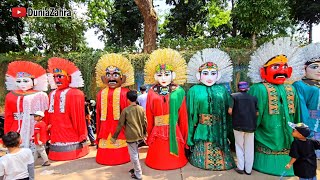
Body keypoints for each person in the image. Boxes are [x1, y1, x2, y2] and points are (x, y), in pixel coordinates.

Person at [247, 37, 303, 176]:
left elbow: (297, 114)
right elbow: (253, 115)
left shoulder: (291, 88)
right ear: (263, 71)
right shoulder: (259, 89)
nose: (281, 71)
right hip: (266, 136)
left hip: (289, 135)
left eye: (284, 67)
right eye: (276, 67)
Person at [187, 48, 235, 170]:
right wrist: (190, 136)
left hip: (220, 128)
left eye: (213, 73)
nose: (209, 77)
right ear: (199, 75)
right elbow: (190, 114)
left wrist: (229, 133)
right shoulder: (194, 90)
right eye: (205, 73)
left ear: (218, 75)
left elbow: (228, 112)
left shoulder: (222, 90)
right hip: (202, 127)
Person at [144, 48, 188, 170]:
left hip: (174, 129)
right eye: (160, 75)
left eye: (166, 74)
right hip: (157, 130)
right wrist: (149, 131)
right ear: (155, 76)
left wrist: (185, 135)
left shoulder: (179, 91)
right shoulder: (152, 92)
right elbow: (149, 114)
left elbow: (183, 115)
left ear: (173, 75)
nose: (163, 78)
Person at [95, 53, 135, 165]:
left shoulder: (125, 93)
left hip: (121, 129)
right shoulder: (100, 94)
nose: (111, 78)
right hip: (104, 128)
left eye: (115, 74)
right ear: (104, 78)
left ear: (123, 78)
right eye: (108, 74)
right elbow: (98, 115)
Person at [46, 57, 89, 160]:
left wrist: (82, 135)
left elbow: (78, 117)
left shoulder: (76, 94)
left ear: (69, 78)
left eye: (60, 76)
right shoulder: (51, 94)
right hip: (56, 134)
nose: (57, 80)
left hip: (71, 134)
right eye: (55, 77)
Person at [4, 61, 49, 149]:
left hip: (33, 127)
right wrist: (7, 132)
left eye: (25, 81)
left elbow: (45, 115)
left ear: (34, 81)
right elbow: (8, 116)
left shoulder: (40, 95)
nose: (22, 84)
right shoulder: (10, 95)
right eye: (19, 81)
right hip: (15, 127)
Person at [111, 90, 147, 180]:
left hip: (131, 136)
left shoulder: (126, 111)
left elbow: (120, 125)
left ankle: (138, 174)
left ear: (128, 99)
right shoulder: (141, 109)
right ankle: (136, 169)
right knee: (136, 153)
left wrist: (114, 137)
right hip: (139, 135)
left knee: (133, 155)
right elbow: (145, 123)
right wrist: (145, 133)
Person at [293, 43, 320, 159]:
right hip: (311, 119)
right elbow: (301, 107)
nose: (319, 70)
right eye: (314, 67)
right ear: (304, 68)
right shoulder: (300, 85)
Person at [228, 81, 258, 175]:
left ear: (238, 88)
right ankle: (248, 170)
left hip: (238, 125)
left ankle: (240, 167)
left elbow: (230, 111)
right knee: (249, 147)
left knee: (239, 146)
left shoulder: (234, 96)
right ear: (247, 88)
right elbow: (257, 113)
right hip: (251, 125)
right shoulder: (253, 98)